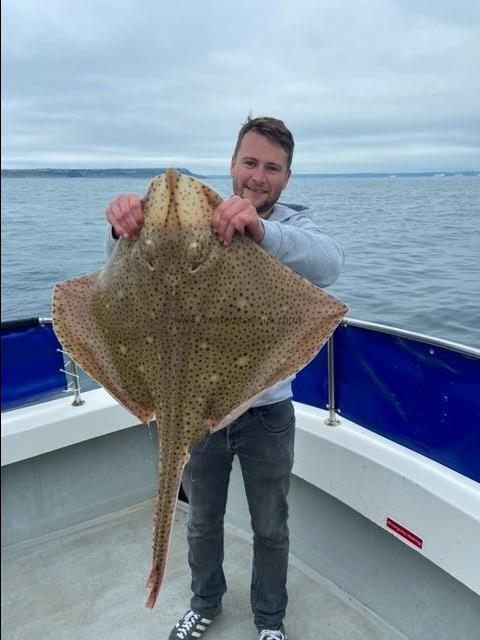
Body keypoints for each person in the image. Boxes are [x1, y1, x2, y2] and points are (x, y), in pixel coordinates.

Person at [105, 117, 344, 640]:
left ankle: (269, 621)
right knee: (201, 518)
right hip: (191, 410)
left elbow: (329, 265)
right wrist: (122, 230)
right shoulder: (191, 228)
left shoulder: (293, 229)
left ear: (286, 178)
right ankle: (204, 601)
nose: (258, 177)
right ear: (232, 164)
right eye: (250, 163)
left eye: (272, 168)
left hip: (266, 411)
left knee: (269, 525)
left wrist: (260, 230)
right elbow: (116, 287)